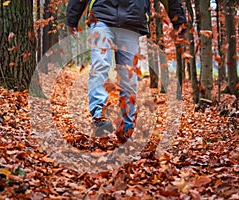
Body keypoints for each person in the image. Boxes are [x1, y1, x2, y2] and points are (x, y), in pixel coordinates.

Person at [66, 0, 187, 141]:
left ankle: (127, 125)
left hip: (132, 20)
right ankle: (99, 117)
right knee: (100, 64)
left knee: (128, 76)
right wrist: (72, 17)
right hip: (102, 16)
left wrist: (180, 23)